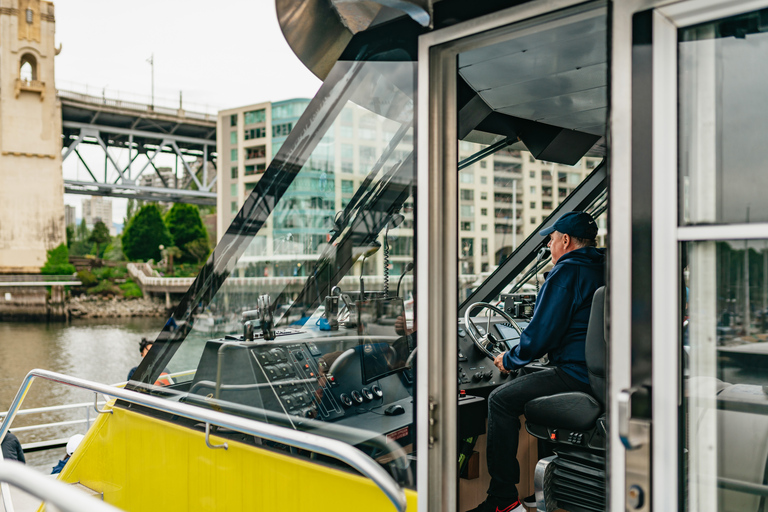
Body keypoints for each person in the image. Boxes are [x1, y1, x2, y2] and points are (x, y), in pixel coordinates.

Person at [466, 211, 605, 512]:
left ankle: (503, 500)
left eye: (552, 240)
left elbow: (542, 334)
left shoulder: (566, 272)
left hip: (578, 373)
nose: (550, 247)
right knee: (535, 387)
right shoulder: (603, 267)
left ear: (565, 240)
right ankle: (543, 491)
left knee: (500, 400)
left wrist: (511, 359)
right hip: (604, 375)